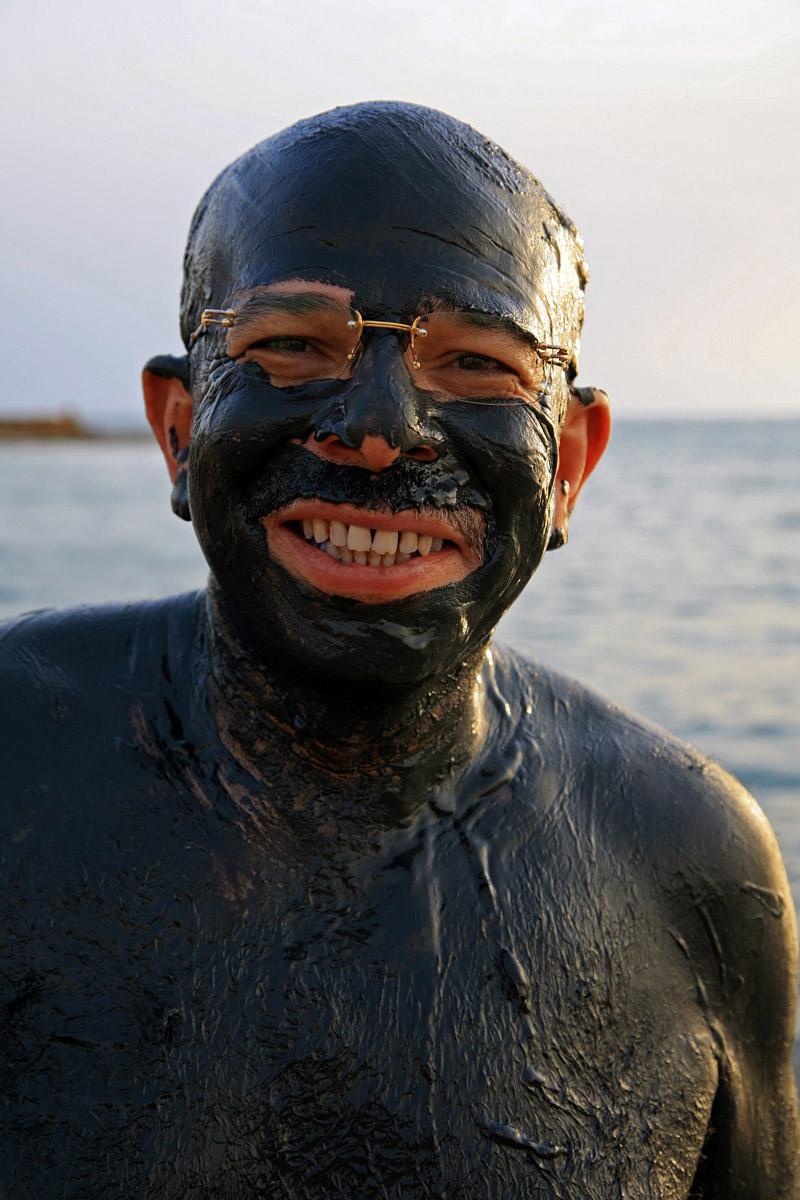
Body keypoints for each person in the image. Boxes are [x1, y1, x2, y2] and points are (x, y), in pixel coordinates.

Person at [0, 101, 797, 1199]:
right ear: (180, 430)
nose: (379, 429)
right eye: (288, 346)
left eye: (477, 363)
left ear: (568, 460)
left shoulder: (692, 860)